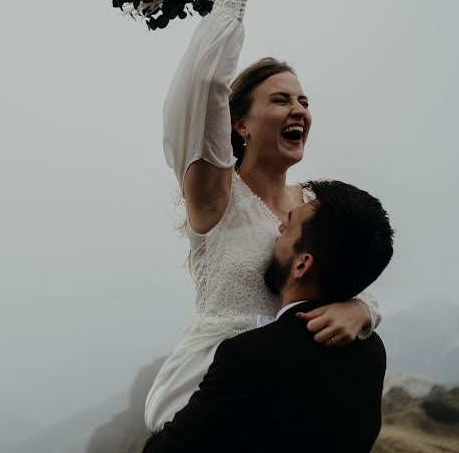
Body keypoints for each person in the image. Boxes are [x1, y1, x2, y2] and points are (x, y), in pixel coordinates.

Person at [144, 0, 383, 432]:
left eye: (304, 102)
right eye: (280, 100)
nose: (298, 110)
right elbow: (205, 84)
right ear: (240, 124)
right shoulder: (216, 195)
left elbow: (353, 265)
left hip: (289, 398)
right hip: (210, 398)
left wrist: (363, 309)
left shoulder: (315, 205)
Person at [142, 180, 394, 453]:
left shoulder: (249, 358)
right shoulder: (372, 353)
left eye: (289, 224)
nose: (279, 228)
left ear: (302, 264)